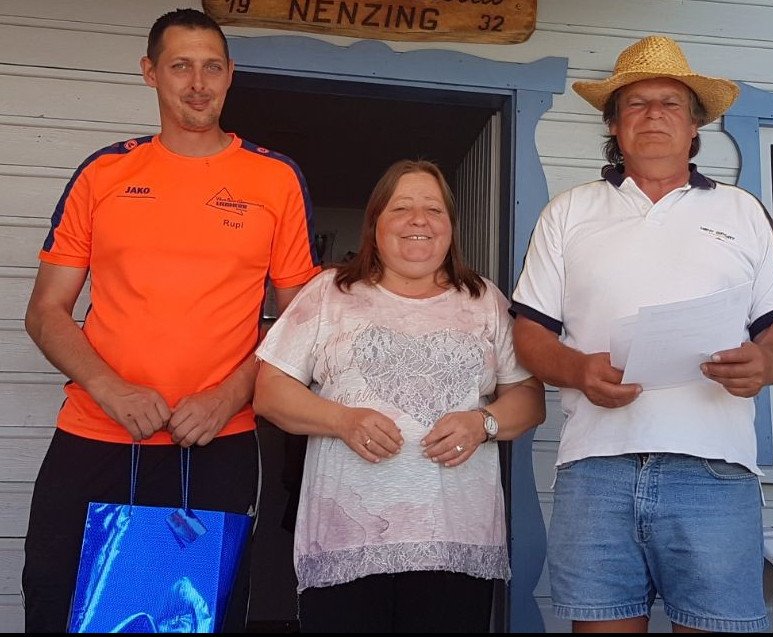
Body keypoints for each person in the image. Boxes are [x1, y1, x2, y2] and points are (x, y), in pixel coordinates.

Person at [22, 8, 321, 633]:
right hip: (96, 434)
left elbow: (302, 322)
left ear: (231, 74)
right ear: (150, 72)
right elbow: (46, 311)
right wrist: (110, 388)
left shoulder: (274, 179)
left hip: (214, 441)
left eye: (212, 67)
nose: (198, 83)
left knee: (193, 618)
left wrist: (227, 397)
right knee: (60, 604)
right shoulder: (105, 173)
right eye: (181, 66)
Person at [511, 35, 773, 633]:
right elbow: (529, 333)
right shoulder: (568, 212)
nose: (653, 115)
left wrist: (765, 363)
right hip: (597, 468)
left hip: (715, 469)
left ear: (695, 126)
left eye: (670, 103)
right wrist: (577, 370)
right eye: (636, 104)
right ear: (614, 125)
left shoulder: (742, 211)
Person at [252, 159, 545, 633]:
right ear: (375, 224)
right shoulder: (330, 292)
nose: (418, 219)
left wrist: (483, 423)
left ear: (450, 227)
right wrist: (342, 420)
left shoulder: (483, 299)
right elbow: (270, 391)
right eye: (401, 207)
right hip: (346, 541)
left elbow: (529, 397)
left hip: (454, 542)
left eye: (434, 209)